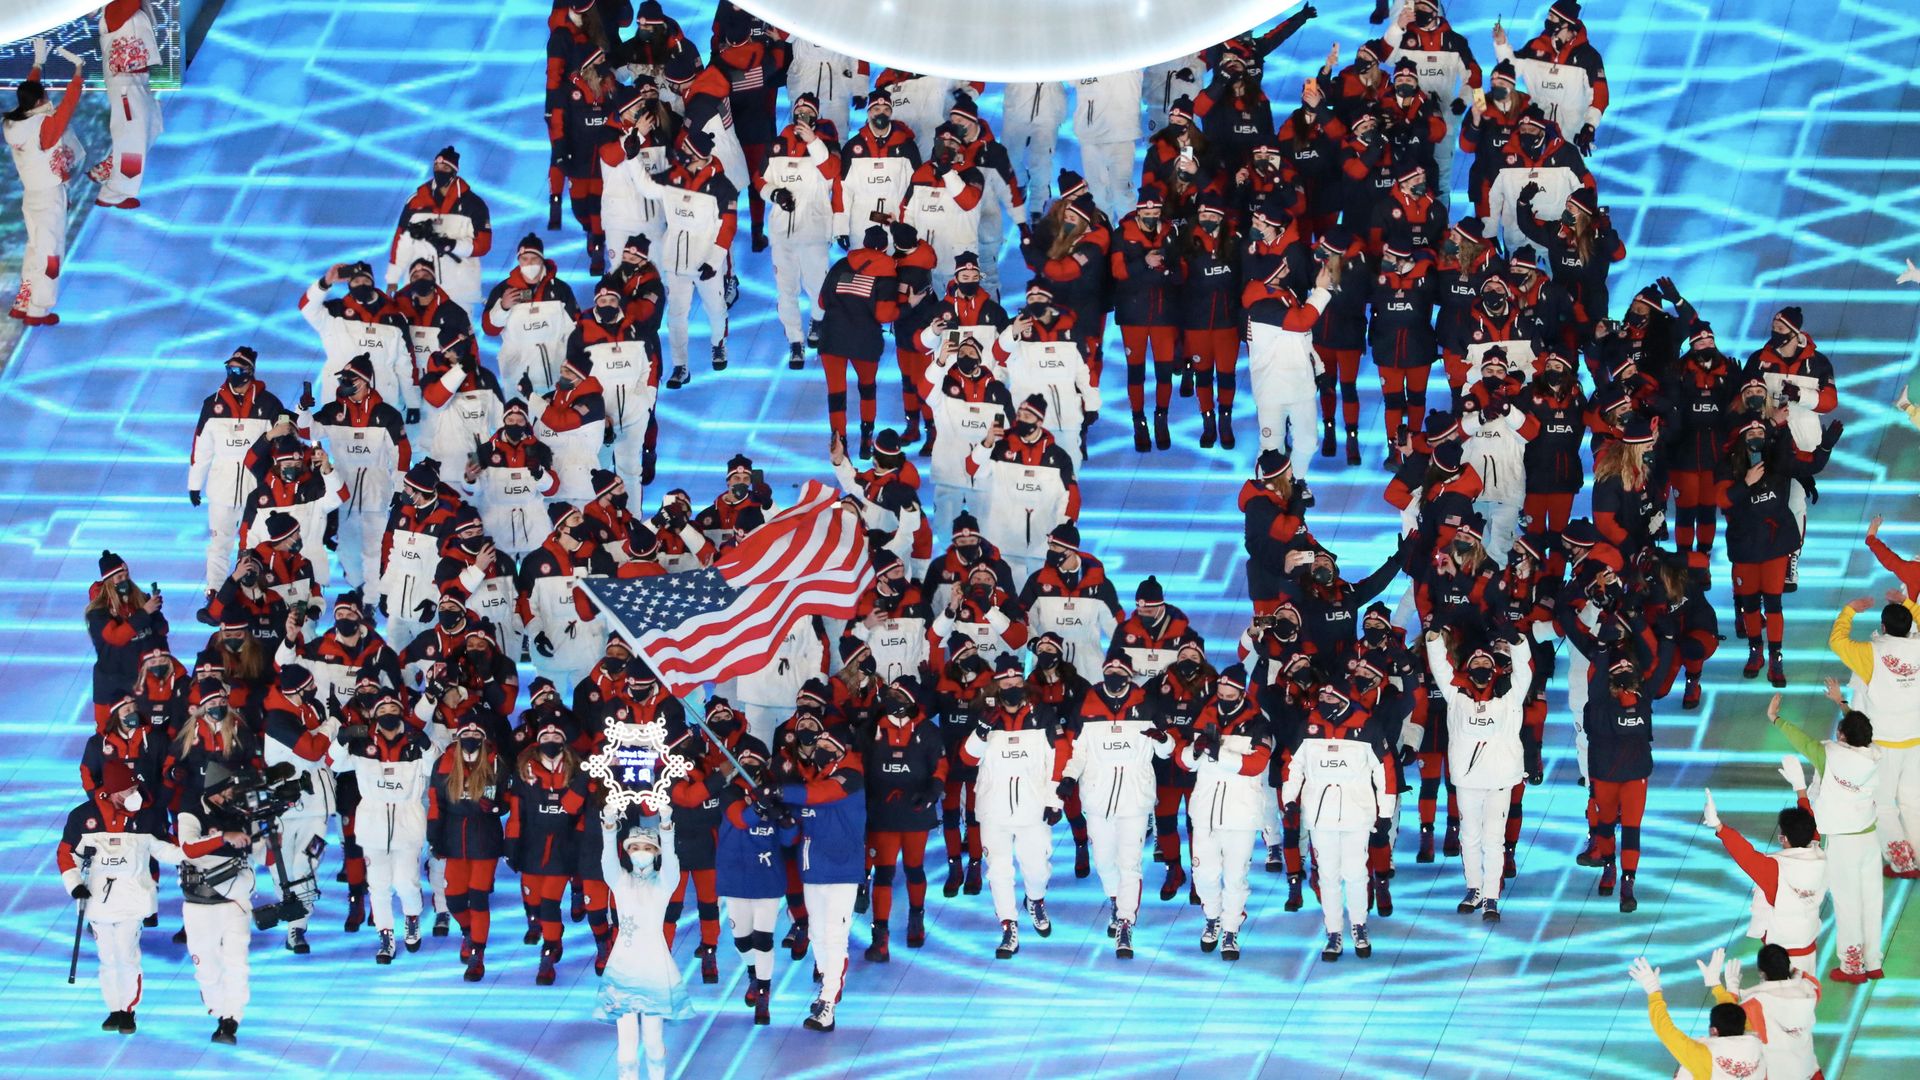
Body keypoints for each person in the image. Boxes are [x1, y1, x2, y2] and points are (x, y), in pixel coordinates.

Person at [58, 760, 182, 1035]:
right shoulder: (83, 817)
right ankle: (113, 1008)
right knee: (108, 957)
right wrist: (74, 884)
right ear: (114, 792)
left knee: (126, 955)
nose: (134, 793)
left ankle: (128, 1010)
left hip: (133, 902)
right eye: (129, 789)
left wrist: (194, 852)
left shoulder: (148, 817)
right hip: (98, 904)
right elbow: (66, 854)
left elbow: (166, 849)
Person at [1773, 688, 1884, 983]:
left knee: (1848, 905)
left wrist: (1776, 719)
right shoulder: (1873, 754)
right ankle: (1873, 962)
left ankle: (1852, 967)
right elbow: (1862, 732)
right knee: (1872, 901)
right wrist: (1843, 705)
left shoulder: (1829, 755)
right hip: (1870, 838)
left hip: (1843, 843)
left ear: (1842, 736)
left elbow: (1802, 741)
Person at [1064, 655, 1168, 958]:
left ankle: (1125, 921)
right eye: (1110, 671)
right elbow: (1078, 751)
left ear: (1129, 675)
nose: (1114, 676)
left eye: (1120, 672)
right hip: (1097, 800)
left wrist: (1162, 739)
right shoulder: (1086, 706)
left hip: (1135, 801)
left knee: (1130, 863)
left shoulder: (1147, 705)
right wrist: (1069, 777)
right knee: (1104, 861)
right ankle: (1114, 898)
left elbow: (1166, 751)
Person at [1425, 628, 1531, 921]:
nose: (1481, 668)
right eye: (1476, 665)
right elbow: (1439, 665)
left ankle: (1492, 897)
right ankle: (1473, 889)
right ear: (1467, 669)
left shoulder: (1509, 696)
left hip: (1499, 780)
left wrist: (1518, 641)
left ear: (1494, 668)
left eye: (1486, 665)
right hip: (1467, 780)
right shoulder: (1455, 693)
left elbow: (1524, 671)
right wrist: (1434, 639)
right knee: (1469, 836)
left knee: (1493, 840)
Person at [1283, 680, 1392, 962]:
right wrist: (1290, 800)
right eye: (1321, 697)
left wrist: (1385, 812)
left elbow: (1385, 772)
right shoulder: (1308, 727)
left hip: (1357, 815)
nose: (1324, 702)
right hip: (1320, 817)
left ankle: (1359, 925)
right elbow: (1292, 766)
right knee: (1328, 876)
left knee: (1356, 873)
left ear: (1343, 699)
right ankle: (1333, 932)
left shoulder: (1367, 726)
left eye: (1330, 698)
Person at [1826, 556, 1920, 877]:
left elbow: (1837, 641)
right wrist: (1907, 601)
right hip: (1917, 738)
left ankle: (1903, 863)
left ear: (1881, 628)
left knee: (1884, 805)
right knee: (1913, 801)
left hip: (1883, 743)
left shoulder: (1870, 654)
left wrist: (1850, 610)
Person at [628, 119, 738, 387]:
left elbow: (729, 227)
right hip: (675, 261)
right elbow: (646, 187)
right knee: (676, 315)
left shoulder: (724, 187)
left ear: (700, 159)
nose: (682, 158)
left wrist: (713, 261)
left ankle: (718, 344)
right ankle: (680, 366)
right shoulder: (674, 178)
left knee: (716, 309)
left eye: (687, 155)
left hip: (705, 262)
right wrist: (632, 157)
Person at [769, 725, 865, 1031]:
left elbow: (822, 795)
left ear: (839, 749)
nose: (819, 746)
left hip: (842, 870)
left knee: (835, 937)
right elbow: (791, 835)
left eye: (826, 742)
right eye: (817, 741)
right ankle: (828, 982)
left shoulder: (850, 777)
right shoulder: (815, 781)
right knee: (818, 935)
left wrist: (781, 791)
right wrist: (783, 818)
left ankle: (828, 1001)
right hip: (813, 871)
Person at [1182, 664, 1273, 961]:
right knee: (1204, 875)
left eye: (1229, 694)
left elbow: (1256, 765)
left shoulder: (1258, 723)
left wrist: (1219, 753)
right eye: (1219, 693)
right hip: (1206, 811)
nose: (1223, 698)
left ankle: (1231, 929)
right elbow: (1186, 762)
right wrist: (1195, 751)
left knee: (1235, 878)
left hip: (1241, 813)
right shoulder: (1204, 716)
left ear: (1241, 692)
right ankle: (1212, 917)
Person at [596, 816, 694, 1080]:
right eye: (636, 848)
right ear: (628, 851)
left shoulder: (663, 885)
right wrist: (608, 829)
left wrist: (666, 828)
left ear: (656, 853)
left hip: (654, 969)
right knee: (626, 1049)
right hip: (623, 969)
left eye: (648, 848)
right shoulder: (621, 882)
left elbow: (672, 864)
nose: (642, 853)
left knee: (653, 1042)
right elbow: (607, 863)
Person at [344, 693, 433, 964]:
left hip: (408, 824)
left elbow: (436, 766)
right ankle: (385, 936)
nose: (389, 712)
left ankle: (412, 918)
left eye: (394, 707)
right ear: (375, 715)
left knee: (406, 883)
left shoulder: (415, 743)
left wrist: (427, 745)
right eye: (383, 708)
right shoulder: (362, 745)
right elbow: (334, 763)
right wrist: (340, 740)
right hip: (373, 825)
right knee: (379, 886)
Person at [861, 677, 946, 961]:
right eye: (890, 693)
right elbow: (858, 766)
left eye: (898, 695)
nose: (891, 699)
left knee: (914, 869)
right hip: (882, 813)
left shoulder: (928, 731)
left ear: (909, 701)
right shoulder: (872, 729)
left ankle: (916, 919)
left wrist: (932, 793)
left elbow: (941, 766)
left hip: (915, 812)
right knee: (883, 874)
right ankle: (880, 938)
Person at [3, 40, 86, 325]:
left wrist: (38, 64)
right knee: (51, 255)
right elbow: (69, 104)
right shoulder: (44, 128)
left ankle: (24, 302)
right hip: (50, 197)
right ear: (39, 101)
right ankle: (39, 309)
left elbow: (28, 94)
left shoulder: (12, 124)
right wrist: (78, 70)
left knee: (35, 249)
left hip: (32, 197)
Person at [716, 737, 797, 1025]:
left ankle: (764, 992)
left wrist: (787, 821)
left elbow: (788, 839)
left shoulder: (778, 794)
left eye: (755, 762)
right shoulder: (729, 794)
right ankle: (753, 973)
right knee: (742, 942)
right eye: (744, 761)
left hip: (766, 878)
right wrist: (761, 806)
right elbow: (740, 820)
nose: (749, 765)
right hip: (735, 876)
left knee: (763, 940)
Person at [260, 664, 341, 953]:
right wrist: (332, 724)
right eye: (308, 685)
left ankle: (298, 928)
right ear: (296, 690)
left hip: (317, 804)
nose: (313, 689)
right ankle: (289, 912)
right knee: (280, 866)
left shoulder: (307, 708)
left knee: (305, 863)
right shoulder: (278, 718)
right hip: (283, 807)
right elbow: (312, 749)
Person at [177, 762, 257, 1045]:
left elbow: (258, 852)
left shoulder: (242, 812)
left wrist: (270, 843)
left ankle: (231, 1019)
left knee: (237, 962)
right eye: (228, 791)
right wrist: (223, 837)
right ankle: (218, 1011)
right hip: (199, 902)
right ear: (214, 792)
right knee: (206, 967)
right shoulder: (191, 812)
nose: (232, 796)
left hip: (235, 899)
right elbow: (187, 847)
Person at [1706, 789, 1827, 976]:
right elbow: (1810, 826)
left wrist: (1719, 826)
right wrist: (1801, 793)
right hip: (1808, 942)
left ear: (1785, 838)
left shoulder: (1777, 870)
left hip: (1781, 952)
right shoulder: (1818, 855)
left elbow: (1746, 856)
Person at [760, 95, 842, 367]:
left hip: (815, 231)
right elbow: (760, 179)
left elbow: (832, 174)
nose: (802, 115)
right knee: (786, 290)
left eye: (808, 112)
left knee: (818, 285)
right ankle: (795, 341)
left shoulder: (826, 144)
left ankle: (818, 321)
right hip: (782, 233)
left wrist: (813, 142)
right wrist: (775, 194)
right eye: (799, 110)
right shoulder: (776, 144)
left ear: (815, 117)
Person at [964, 395, 1080, 582]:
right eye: (1019, 415)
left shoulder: (1058, 457)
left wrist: (1063, 530)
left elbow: (1071, 497)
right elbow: (972, 470)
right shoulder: (999, 448)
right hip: (1003, 544)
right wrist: (987, 443)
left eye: (1027, 416)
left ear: (1040, 421)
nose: (1021, 420)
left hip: (1042, 547)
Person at [427, 719, 508, 981]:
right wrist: (434, 837)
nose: (472, 735)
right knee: (454, 899)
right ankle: (468, 931)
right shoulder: (444, 763)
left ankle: (477, 954)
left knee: (479, 896)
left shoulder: (496, 763)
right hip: (454, 840)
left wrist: (496, 808)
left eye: (477, 732)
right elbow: (435, 802)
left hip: (484, 840)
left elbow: (507, 798)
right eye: (467, 732)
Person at [1494, 1, 1609, 154]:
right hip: (1535, 129)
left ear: (1566, 23)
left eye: (1552, 17)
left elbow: (1601, 96)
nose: (1547, 21)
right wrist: (1501, 44)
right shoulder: (1536, 46)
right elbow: (1509, 71)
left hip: (1570, 135)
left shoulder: (1589, 57)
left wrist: (1589, 125)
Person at [1627, 955, 1767, 1080]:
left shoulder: (1703, 1056)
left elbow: (1666, 1030)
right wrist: (1716, 985)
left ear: (1713, 1030)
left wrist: (1653, 991)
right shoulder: (1755, 1043)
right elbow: (1734, 1014)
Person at [387, 146, 492, 312]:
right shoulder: (415, 201)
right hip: (418, 287)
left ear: (454, 171)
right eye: (436, 166)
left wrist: (452, 245)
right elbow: (399, 241)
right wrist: (393, 277)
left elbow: (484, 245)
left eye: (445, 167)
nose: (439, 170)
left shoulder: (474, 204)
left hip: (459, 290)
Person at [95, 1, 164, 209]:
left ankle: (108, 169)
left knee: (153, 128)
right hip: (124, 83)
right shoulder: (114, 9)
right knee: (133, 138)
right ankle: (113, 192)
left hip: (138, 79)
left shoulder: (129, 8)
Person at [1725, 943, 1823, 1080]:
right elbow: (1805, 977)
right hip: (1808, 1071)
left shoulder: (1754, 1003)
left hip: (1777, 1074)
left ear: (1761, 973)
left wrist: (1732, 989)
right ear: (1788, 965)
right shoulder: (1810, 989)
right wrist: (1784, 965)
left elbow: (1728, 1023)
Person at [1070, 70, 1144, 220]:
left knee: (1121, 192)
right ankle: (1104, 238)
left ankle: (1131, 238)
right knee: (1098, 195)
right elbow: (1071, 79)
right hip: (1090, 135)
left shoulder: (1129, 52)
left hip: (1122, 133)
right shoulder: (1085, 56)